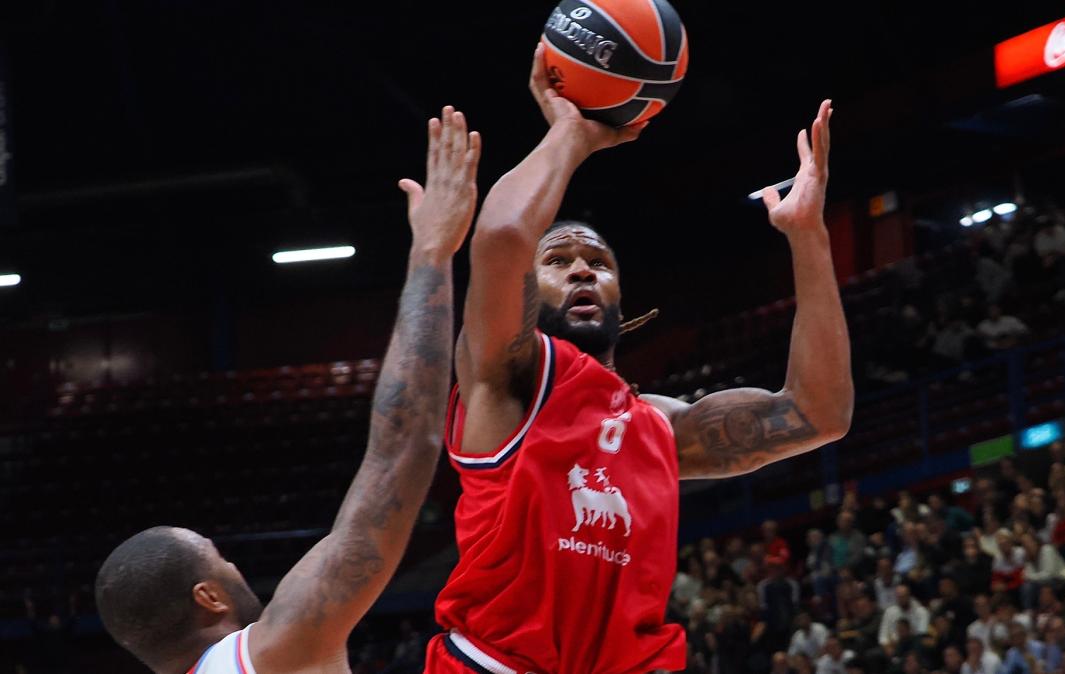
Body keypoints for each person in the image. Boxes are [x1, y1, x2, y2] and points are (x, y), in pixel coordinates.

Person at [426, 44, 853, 674]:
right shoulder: (507, 377)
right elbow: (502, 238)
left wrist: (808, 238)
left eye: (598, 263)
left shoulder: (657, 426)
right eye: (560, 259)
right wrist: (571, 132)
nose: (581, 268)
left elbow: (819, 413)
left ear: (620, 301)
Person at [92, 109, 480, 674]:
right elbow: (403, 450)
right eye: (221, 560)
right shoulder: (272, 651)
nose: (236, 567)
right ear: (209, 598)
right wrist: (433, 253)